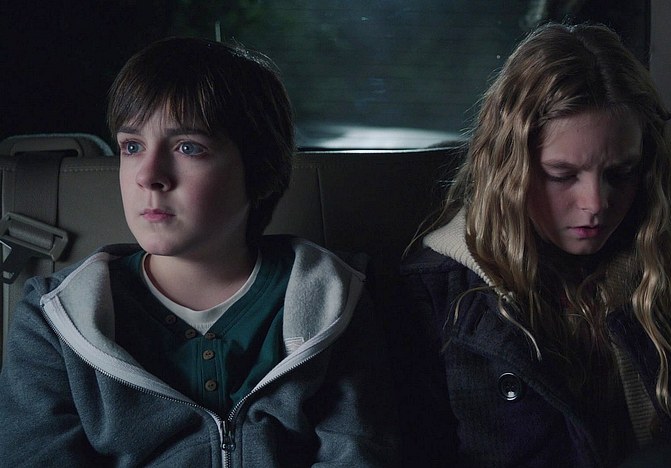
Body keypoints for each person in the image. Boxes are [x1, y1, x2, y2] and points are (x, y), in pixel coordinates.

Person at [0, 37, 397, 466]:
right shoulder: (54, 318)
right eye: (132, 146)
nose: (148, 175)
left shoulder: (338, 300)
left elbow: (358, 453)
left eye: (188, 147)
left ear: (258, 169)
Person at [396, 22, 671, 467]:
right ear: (510, 171)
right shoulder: (438, 292)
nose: (595, 204)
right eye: (561, 175)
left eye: (620, 174)